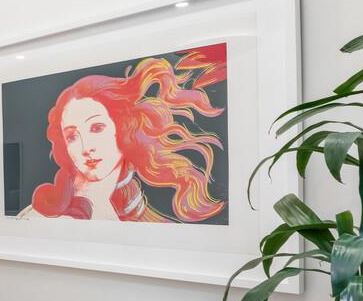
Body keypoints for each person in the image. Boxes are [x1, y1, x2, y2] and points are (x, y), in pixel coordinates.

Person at [24, 50, 226, 222]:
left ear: (123, 128)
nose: (86, 148)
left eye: (96, 128)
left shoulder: (130, 205)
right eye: (72, 137)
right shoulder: (47, 216)